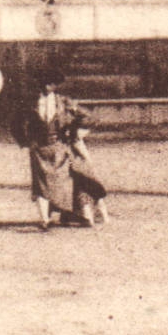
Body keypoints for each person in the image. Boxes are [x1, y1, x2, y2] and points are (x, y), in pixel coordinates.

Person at [17, 74, 108, 229]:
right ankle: (44, 220)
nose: (46, 87)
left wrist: (74, 129)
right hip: (38, 147)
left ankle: (80, 214)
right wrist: (25, 142)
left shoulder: (64, 102)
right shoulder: (29, 103)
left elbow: (90, 118)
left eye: (50, 83)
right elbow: (16, 123)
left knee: (69, 181)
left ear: (55, 85)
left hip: (59, 146)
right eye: (43, 83)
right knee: (41, 184)